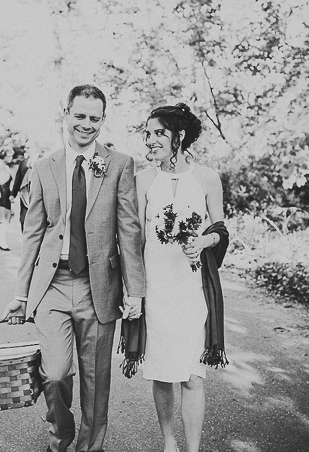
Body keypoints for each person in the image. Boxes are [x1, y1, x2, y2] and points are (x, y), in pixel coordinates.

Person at [2, 85, 145, 452]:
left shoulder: (119, 164)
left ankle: (89, 447)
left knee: (97, 381)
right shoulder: (43, 166)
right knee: (55, 373)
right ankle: (60, 438)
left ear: (103, 120)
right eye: (79, 116)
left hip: (99, 285)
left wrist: (136, 291)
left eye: (94, 118)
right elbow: (32, 234)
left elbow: (129, 231)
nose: (86, 125)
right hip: (53, 284)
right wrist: (21, 293)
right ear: (66, 113)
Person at [132, 103, 229, 452]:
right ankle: (169, 443)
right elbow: (135, 241)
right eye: (148, 132)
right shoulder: (142, 179)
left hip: (192, 288)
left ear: (180, 136)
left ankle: (192, 449)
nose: (151, 138)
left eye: (159, 132)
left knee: (191, 374)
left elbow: (219, 228)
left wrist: (204, 240)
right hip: (156, 288)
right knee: (161, 371)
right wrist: (133, 291)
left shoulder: (206, 178)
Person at [10, 143, 41, 232]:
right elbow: (18, 179)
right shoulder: (24, 162)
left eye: (28, 147)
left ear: (35, 148)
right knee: (23, 221)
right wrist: (13, 194)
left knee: (37, 223)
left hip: (38, 197)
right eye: (25, 147)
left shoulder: (42, 161)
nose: (25, 149)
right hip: (25, 197)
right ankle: (25, 243)